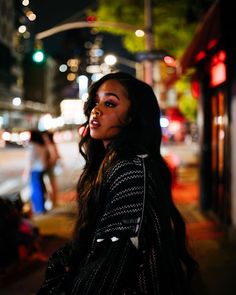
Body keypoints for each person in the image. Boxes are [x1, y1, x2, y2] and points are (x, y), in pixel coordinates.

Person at [38, 72, 198, 294]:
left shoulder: (130, 170)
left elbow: (112, 261)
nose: (97, 109)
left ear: (132, 116)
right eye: (96, 102)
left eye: (110, 103)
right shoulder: (114, 163)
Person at [23, 130, 49, 214]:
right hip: (42, 169)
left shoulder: (32, 145)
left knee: (36, 190)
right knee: (41, 188)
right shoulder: (42, 145)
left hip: (35, 170)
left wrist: (26, 173)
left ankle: (39, 209)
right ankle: (42, 207)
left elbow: (30, 160)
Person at [42, 131, 61, 207]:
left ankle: (53, 201)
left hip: (50, 168)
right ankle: (54, 201)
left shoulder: (50, 145)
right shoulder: (51, 144)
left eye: (45, 137)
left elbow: (54, 157)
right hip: (51, 168)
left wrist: (48, 164)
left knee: (51, 185)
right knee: (52, 184)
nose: (43, 138)